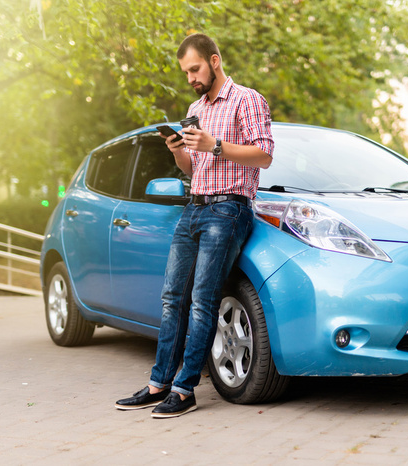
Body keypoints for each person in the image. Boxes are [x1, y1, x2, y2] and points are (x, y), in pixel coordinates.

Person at [115, 33, 274, 418]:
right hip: (194, 207)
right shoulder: (194, 107)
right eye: (186, 71)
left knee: (203, 301)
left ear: (214, 61)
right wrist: (179, 153)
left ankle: (185, 390)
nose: (190, 77)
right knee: (172, 298)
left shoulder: (247, 99)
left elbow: (264, 155)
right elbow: (193, 167)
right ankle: (158, 384)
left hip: (228, 209)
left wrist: (214, 144)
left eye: (195, 69)